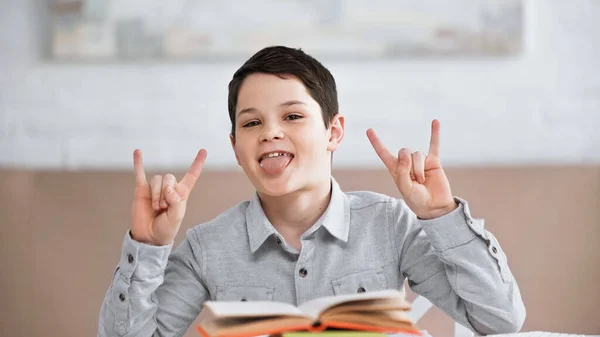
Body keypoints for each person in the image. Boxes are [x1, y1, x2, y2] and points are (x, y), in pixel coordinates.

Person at [98, 46, 525, 337]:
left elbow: (500, 321)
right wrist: (148, 246)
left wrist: (441, 215)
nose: (270, 133)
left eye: (293, 116)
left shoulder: (388, 224)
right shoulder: (208, 248)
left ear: (333, 132)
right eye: (251, 123)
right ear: (237, 149)